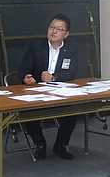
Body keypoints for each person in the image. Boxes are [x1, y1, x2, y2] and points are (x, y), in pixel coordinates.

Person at [18, 13, 80, 159]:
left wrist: (54, 78)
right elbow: (23, 69)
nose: (54, 31)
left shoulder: (72, 49)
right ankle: (40, 144)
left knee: (72, 112)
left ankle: (61, 145)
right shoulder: (36, 47)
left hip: (60, 92)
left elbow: (72, 72)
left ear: (66, 34)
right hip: (36, 92)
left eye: (59, 29)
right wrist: (26, 78)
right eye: (52, 27)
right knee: (28, 113)